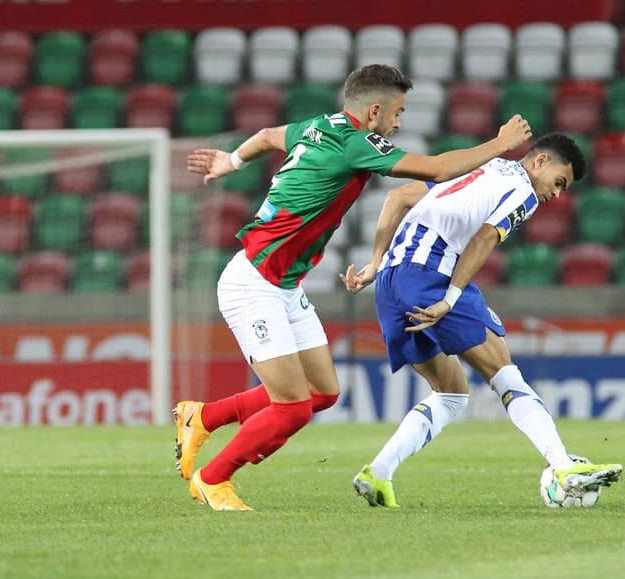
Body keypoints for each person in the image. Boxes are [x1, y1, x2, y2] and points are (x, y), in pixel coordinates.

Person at [175, 64, 532, 511]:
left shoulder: (319, 126)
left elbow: (267, 134)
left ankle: (202, 416)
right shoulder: (355, 143)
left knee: (323, 394)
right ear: (376, 110)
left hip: (283, 284)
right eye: (398, 112)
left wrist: (231, 160)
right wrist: (500, 145)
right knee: (293, 408)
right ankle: (214, 479)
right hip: (253, 283)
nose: (399, 123)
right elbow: (438, 170)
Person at [342, 132, 622, 508]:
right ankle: (561, 465)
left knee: (452, 392)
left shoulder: (480, 167)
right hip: (431, 277)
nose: (556, 194)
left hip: (392, 283)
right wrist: (451, 297)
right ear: (539, 162)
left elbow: (398, 198)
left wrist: (375, 262)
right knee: (504, 373)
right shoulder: (523, 189)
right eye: (559, 182)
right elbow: (485, 237)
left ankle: (379, 472)